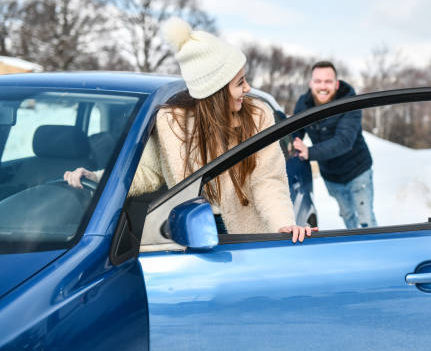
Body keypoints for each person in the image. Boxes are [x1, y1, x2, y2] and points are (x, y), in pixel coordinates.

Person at [65, 17, 315, 243]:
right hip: (190, 231)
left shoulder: (258, 116)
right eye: (240, 82)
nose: (248, 88)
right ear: (215, 90)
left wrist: (283, 224)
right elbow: (148, 171)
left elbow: (267, 180)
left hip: (245, 232)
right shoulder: (170, 122)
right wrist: (98, 179)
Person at [292, 61, 377, 229]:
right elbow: (294, 132)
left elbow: (344, 141)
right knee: (348, 216)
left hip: (358, 173)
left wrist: (309, 152)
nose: (322, 86)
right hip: (332, 177)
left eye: (328, 81)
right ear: (311, 83)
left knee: (366, 219)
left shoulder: (350, 102)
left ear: (336, 84)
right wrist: (292, 143)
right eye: (318, 81)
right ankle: (357, 248)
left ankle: (374, 250)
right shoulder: (304, 103)